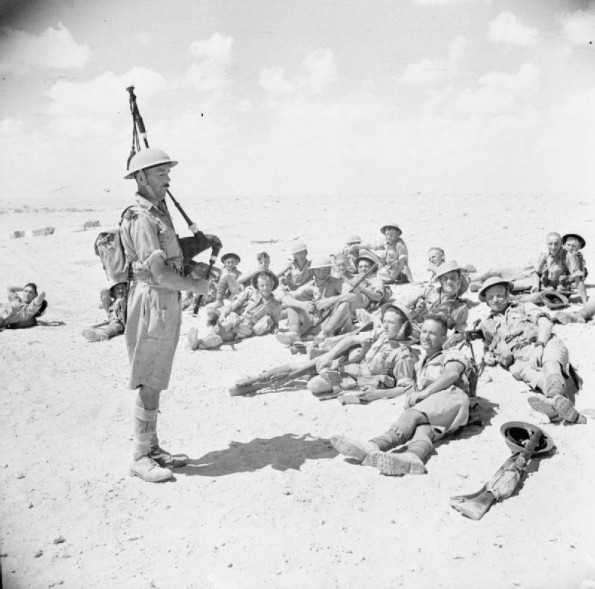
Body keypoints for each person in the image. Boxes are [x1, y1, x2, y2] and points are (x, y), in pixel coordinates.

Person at [121, 147, 214, 482]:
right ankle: (140, 456)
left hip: (164, 300)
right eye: (161, 174)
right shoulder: (142, 218)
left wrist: (198, 246)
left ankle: (152, 447)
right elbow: (159, 273)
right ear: (141, 177)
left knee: (156, 376)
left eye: (168, 173)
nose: (168, 179)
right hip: (154, 299)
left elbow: (172, 254)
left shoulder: (158, 212)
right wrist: (197, 286)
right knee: (149, 377)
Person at [330, 314, 475, 475]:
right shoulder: (421, 364)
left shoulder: (452, 354)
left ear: (443, 338)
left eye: (432, 333)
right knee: (423, 430)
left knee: (412, 415)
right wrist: (378, 393)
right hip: (438, 410)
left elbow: (452, 374)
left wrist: (424, 393)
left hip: (452, 399)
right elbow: (408, 388)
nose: (426, 336)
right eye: (424, 331)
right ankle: (413, 458)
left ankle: (374, 445)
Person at [476, 277, 586, 425]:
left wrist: (540, 346)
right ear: (486, 301)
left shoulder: (524, 306)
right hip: (520, 360)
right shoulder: (486, 324)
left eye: (500, 295)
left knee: (550, 363)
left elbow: (545, 323)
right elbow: (488, 345)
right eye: (491, 297)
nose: (495, 300)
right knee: (530, 374)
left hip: (544, 343)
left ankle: (555, 400)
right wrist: (487, 355)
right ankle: (560, 405)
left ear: (507, 294)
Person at [307, 302, 417, 401]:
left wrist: (377, 394)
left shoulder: (403, 355)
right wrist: (330, 356)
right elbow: (352, 339)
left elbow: (406, 388)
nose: (385, 326)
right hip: (351, 366)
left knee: (314, 385)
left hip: (359, 380)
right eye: (384, 321)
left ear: (403, 326)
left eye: (391, 323)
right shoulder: (383, 334)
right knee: (308, 371)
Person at [188, 270, 282, 350]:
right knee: (225, 323)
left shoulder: (275, 305)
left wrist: (275, 328)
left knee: (227, 333)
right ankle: (202, 342)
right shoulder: (249, 292)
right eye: (262, 285)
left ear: (272, 284)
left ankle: (201, 343)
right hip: (235, 318)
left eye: (267, 285)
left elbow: (275, 322)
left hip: (246, 327)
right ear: (257, 285)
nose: (265, 288)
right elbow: (232, 306)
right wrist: (222, 315)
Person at [278, 255, 355, 346]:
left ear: (330, 270)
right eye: (318, 270)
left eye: (325, 270)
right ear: (312, 271)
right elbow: (286, 298)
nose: (322, 274)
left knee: (344, 304)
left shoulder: (337, 282)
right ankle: (294, 334)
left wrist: (330, 300)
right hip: (316, 322)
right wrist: (302, 304)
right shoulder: (311, 286)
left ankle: (325, 334)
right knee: (293, 305)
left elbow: (352, 296)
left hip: (335, 323)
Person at [402, 260, 469, 347]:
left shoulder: (460, 308)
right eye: (445, 278)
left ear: (459, 282)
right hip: (408, 325)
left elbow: (460, 331)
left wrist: (455, 337)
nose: (449, 281)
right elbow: (404, 302)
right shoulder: (428, 291)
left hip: (428, 338)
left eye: (453, 278)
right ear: (440, 281)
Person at [562, 233, 588, 304]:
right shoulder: (561, 254)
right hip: (562, 277)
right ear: (564, 244)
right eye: (568, 245)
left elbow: (580, 272)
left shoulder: (578, 256)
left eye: (573, 246)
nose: (570, 248)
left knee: (584, 271)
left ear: (578, 247)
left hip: (572, 277)